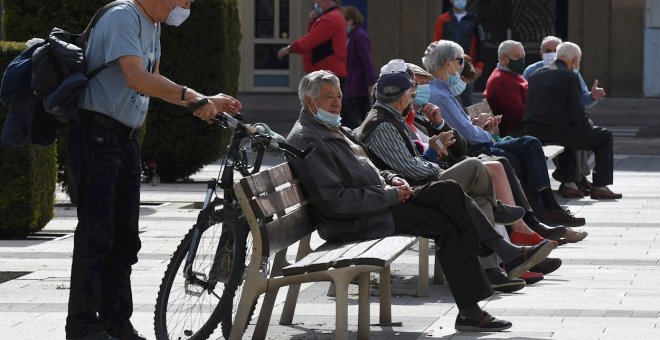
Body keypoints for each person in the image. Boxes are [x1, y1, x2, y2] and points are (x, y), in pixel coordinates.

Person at [286, 70, 553, 331]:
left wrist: (391, 179)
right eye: (328, 97)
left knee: (448, 202)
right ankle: (501, 254)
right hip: (356, 220)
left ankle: (476, 300)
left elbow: (370, 166)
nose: (337, 101)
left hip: (377, 206)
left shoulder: (333, 127)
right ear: (310, 102)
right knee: (448, 198)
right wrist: (389, 194)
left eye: (339, 95)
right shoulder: (308, 139)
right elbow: (336, 201)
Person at [65, 1, 242, 340]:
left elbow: (154, 79)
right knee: (96, 236)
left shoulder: (153, 24)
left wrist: (203, 99)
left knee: (125, 239)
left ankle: (117, 323)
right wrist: (194, 97)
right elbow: (136, 77)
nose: (186, 8)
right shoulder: (123, 17)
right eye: (184, 1)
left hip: (124, 140)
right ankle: (83, 327)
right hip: (96, 136)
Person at [424, 40, 587, 228]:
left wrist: (478, 125)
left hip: (480, 140)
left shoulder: (444, 91)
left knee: (530, 144)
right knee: (516, 157)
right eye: (460, 61)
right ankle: (535, 217)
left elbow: (465, 128)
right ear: (448, 63)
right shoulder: (440, 94)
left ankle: (544, 209)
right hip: (473, 148)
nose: (463, 67)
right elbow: (469, 134)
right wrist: (485, 133)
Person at [524, 42, 622, 200]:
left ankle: (570, 184)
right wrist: (587, 126)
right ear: (575, 59)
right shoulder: (569, 75)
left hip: (534, 130)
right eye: (579, 60)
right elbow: (576, 112)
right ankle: (600, 186)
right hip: (557, 131)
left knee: (569, 136)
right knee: (604, 136)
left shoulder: (537, 74)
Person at [432, 0, 485, 107]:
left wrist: (479, 65)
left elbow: (481, 43)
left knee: (468, 99)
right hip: (446, 65)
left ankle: (469, 122)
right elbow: (436, 43)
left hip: (468, 65)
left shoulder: (474, 20)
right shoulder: (443, 19)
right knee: (446, 97)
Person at [277, 0, 347, 80]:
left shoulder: (330, 19)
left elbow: (311, 40)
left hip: (326, 73)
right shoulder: (332, 17)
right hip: (326, 72)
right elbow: (314, 36)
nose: (315, 3)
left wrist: (290, 49)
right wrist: (312, 21)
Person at [340, 6, 377, 129]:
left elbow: (367, 61)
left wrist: (370, 83)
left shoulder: (359, 36)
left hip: (359, 87)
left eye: (343, 20)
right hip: (352, 85)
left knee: (359, 117)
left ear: (350, 20)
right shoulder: (352, 36)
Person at [483, 40, 528, 137]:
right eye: (517, 57)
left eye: (523, 57)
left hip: (522, 128)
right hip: (514, 133)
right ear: (503, 59)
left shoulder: (513, 74)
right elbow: (518, 113)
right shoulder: (501, 79)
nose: (522, 60)